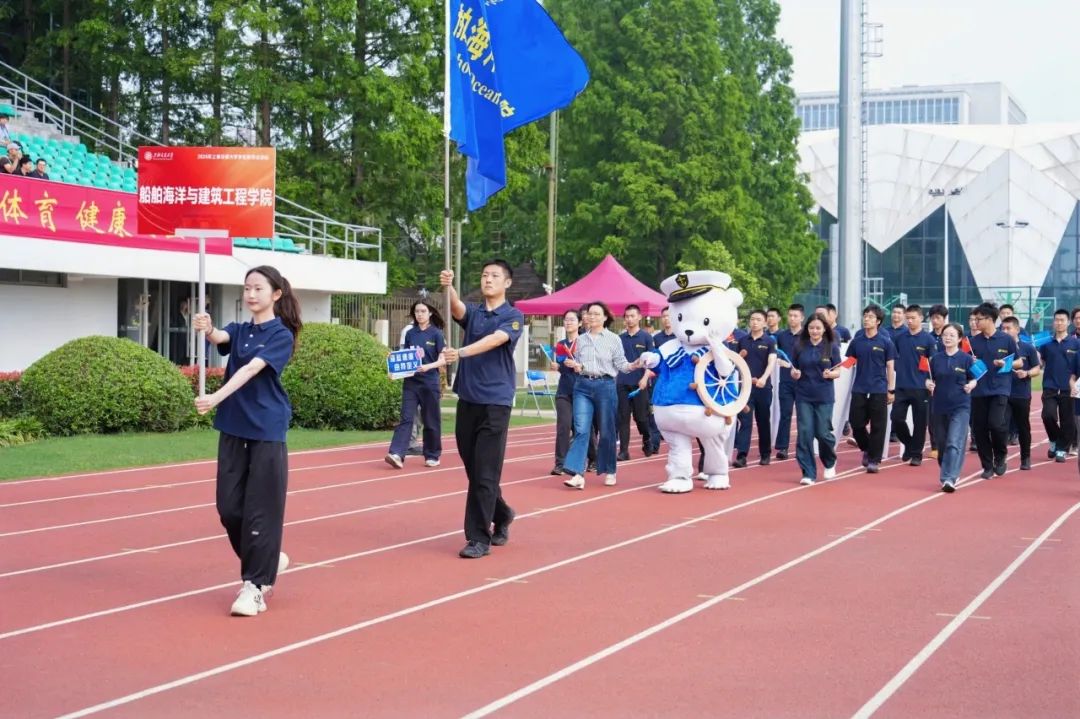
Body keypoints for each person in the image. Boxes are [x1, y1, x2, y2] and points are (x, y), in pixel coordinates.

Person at [192, 265, 302, 616]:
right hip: (234, 426)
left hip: (266, 428)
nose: (251, 294)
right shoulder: (240, 330)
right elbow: (221, 337)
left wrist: (215, 397)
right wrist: (208, 327)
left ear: (276, 294)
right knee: (229, 509)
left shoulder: (281, 335)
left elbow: (251, 369)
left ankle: (255, 586)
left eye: (258, 288)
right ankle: (268, 559)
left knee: (260, 511)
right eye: (247, 288)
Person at [439, 260, 522, 559]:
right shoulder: (474, 312)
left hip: (496, 402)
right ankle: (502, 513)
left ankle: (478, 538)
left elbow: (494, 340)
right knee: (474, 469)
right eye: (485, 275)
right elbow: (456, 308)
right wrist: (449, 287)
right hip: (468, 399)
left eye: (494, 276)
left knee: (486, 472)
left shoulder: (512, 316)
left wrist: (460, 352)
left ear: (507, 283)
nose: (488, 279)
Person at [561, 301, 638, 490]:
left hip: (605, 386)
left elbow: (621, 364)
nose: (591, 317)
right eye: (589, 313)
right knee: (581, 429)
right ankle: (577, 474)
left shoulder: (614, 339)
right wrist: (576, 366)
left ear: (605, 317)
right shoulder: (581, 340)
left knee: (607, 430)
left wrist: (633, 365)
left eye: (596, 314)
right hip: (582, 386)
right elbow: (580, 364)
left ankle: (610, 469)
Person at [385, 300, 446, 469]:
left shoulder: (437, 334)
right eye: (417, 311)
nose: (419, 314)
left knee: (431, 419)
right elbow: (406, 356)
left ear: (430, 313)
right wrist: (393, 366)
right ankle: (396, 453)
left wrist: (428, 366)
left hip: (430, 382)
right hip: (411, 383)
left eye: (423, 311)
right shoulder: (410, 333)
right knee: (406, 418)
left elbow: (443, 360)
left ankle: (432, 455)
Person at [969, 302, 1021, 479]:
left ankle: (1000, 456)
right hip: (979, 390)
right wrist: (970, 362)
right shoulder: (973, 342)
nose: (975, 322)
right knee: (980, 429)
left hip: (1000, 388)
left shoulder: (1006, 339)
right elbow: (966, 364)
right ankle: (987, 465)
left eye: (979, 319)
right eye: (974, 319)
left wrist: (1005, 363)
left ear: (990, 319)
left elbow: (1019, 362)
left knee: (996, 424)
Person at [790, 313, 842, 484]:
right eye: (811, 328)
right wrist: (795, 373)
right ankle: (808, 472)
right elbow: (793, 369)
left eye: (818, 328)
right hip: (803, 395)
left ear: (824, 329)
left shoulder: (831, 346)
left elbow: (838, 371)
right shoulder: (800, 346)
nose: (814, 331)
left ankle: (830, 462)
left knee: (823, 433)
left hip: (824, 395)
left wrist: (831, 374)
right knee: (805, 433)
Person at [926, 323, 978, 492]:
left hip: (960, 406)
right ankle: (948, 468)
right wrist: (928, 383)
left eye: (952, 335)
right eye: (945, 335)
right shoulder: (935, 359)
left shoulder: (966, 359)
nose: (947, 338)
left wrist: (971, 385)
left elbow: (975, 378)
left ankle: (949, 478)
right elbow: (928, 378)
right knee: (942, 445)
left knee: (954, 442)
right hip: (939, 406)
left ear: (959, 338)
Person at [846, 305, 896, 473]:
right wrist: (835, 370)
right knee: (856, 423)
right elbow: (849, 362)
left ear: (878, 321)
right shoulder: (857, 341)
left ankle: (874, 459)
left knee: (878, 426)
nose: (866, 319)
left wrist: (891, 390)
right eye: (865, 316)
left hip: (879, 389)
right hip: (859, 388)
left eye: (870, 317)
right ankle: (867, 448)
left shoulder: (886, 342)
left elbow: (890, 367)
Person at [550, 308, 596, 475]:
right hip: (564, 391)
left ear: (579, 323)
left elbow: (592, 366)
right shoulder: (561, 345)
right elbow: (562, 367)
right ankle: (560, 463)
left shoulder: (586, 343)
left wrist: (578, 366)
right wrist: (557, 366)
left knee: (583, 428)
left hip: (582, 392)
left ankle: (594, 458)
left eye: (572, 319)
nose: (568, 322)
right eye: (566, 319)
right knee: (563, 427)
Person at [891, 304, 935, 466]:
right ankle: (909, 445)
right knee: (896, 418)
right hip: (901, 386)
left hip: (921, 387)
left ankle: (916, 454)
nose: (909, 321)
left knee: (920, 423)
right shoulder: (900, 338)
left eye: (913, 318)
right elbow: (892, 358)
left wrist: (931, 381)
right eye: (907, 318)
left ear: (921, 318)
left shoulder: (928, 340)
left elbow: (933, 363)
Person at [733, 309, 777, 466]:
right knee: (745, 421)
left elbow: (771, 362)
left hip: (763, 388)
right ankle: (741, 455)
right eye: (752, 319)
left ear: (764, 323)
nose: (754, 322)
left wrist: (763, 378)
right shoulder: (742, 341)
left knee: (763, 421)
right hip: (745, 388)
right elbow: (737, 362)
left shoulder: (769, 341)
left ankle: (765, 454)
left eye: (758, 319)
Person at [616, 304, 655, 460]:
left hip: (640, 384)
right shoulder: (620, 339)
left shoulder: (646, 337)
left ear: (639, 317)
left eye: (632, 316)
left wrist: (645, 378)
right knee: (623, 418)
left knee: (641, 418)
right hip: (622, 383)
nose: (629, 319)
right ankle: (624, 451)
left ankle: (647, 438)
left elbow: (652, 362)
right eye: (627, 316)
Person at [1001, 316, 1040, 470]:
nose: (1005, 331)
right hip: (1003, 393)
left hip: (1021, 393)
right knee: (1001, 426)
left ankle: (1025, 457)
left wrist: (1027, 373)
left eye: (1008, 328)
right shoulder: (1000, 348)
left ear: (1017, 329)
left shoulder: (1028, 348)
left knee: (1023, 426)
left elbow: (1037, 368)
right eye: (1003, 328)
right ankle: (1001, 458)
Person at [1040, 308, 1078, 463]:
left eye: (1062, 320)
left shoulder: (1076, 343)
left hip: (1069, 388)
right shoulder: (1046, 344)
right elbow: (1040, 362)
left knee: (1067, 420)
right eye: (1056, 320)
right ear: (1053, 322)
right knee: (1047, 415)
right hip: (1050, 386)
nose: (1059, 323)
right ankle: (1055, 440)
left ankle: (1062, 449)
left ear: (1068, 323)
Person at [774, 303, 805, 460]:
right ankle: (782, 447)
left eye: (795, 316)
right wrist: (780, 361)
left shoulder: (807, 336)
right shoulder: (782, 336)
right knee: (785, 413)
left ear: (802, 318)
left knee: (802, 416)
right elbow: (777, 354)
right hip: (785, 381)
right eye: (790, 315)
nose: (792, 318)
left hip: (803, 381)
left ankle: (802, 447)